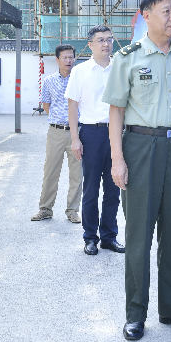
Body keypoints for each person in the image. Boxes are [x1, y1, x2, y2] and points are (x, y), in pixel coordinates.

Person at [102, 0, 171, 341]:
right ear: (146, 15)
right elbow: (115, 113)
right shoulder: (128, 58)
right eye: (166, 11)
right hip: (140, 148)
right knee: (138, 235)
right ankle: (136, 313)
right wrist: (117, 159)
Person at [66, 25, 124, 256]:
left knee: (113, 189)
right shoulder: (80, 71)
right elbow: (72, 105)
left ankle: (109, 237)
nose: (106, 44)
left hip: (116, 134)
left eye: (109, 39)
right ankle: (90, 237)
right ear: (90, 44)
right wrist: (75, 139)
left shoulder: (119, 69)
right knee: (90, 190)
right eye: (100, 40)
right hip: (91, 134)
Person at [31, 44, 83, 223]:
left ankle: (72, 210)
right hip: (56, 132)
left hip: (78, 133)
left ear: (74, 58)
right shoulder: (49, 81)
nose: (68, 61)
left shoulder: (80, 79)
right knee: (50, 171)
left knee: (77, 173)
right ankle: (45, 209)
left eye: (71, 57)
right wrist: (58, 118)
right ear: (57, 60)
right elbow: (46, 104)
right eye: (65, 58)